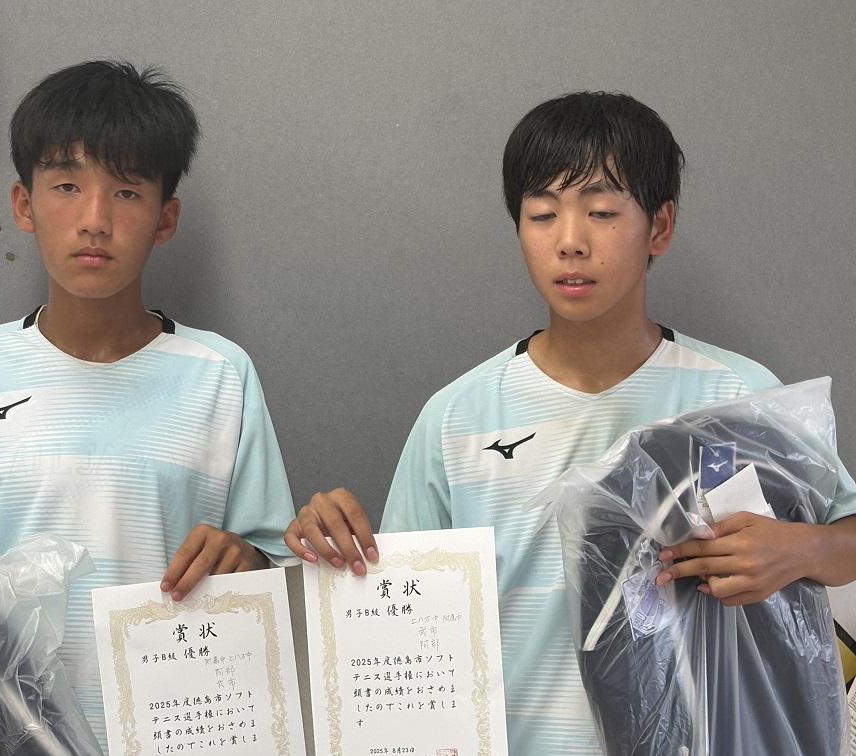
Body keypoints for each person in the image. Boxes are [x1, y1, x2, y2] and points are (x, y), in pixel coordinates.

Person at [285, 91, 856, 754]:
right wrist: (331, 548)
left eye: (602, 212)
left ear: (660, 226)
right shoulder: (457, 416)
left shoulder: (738, 396)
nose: (570, 242)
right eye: (542, 214)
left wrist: (801, 550)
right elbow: (405, 610)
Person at [0, 60, 296, 753]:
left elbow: (273, 567)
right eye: (66, 185)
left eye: (127, 191)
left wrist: (248, 559)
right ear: (24, 204)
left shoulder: (221, 374)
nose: (95, 220)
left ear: (166, 218)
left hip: (175, 731)